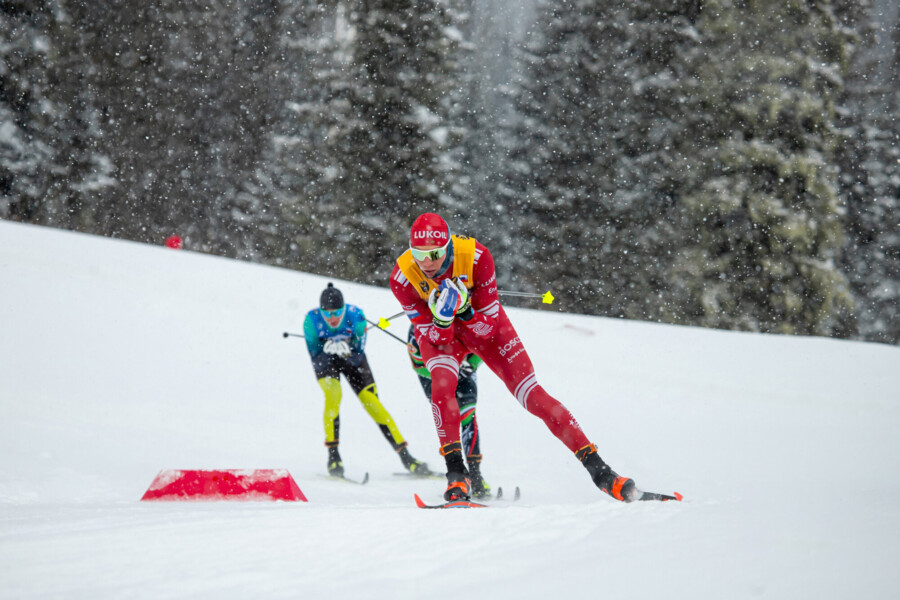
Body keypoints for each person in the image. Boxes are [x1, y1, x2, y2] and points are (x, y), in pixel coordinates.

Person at [390, 213, 644, 502]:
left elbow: (486, 331)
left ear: (448, 246)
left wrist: (464, 311)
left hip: (482, 327)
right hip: (443, 332)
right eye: (418, 254)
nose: (426, 263)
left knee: (532, 395)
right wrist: (444, 319)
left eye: (434, 254)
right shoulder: (402, 276)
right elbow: (436, 339)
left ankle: (602, 473)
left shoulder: (476, 257)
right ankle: (457, 478)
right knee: (442, 386)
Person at [304, 282, 432, 478]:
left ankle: (407, 458)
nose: (332, 318)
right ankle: (333, 457)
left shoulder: (356, 317)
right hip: (327, 364)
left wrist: (347, 349)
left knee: (373, 404)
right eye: (327, 314)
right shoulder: (311, 321)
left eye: (337, 312)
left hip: (353, 362)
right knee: (333, 395)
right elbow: (316, 358)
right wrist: (327, 351)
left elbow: (358, 353)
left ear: (344, 308)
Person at [407, 325, 491, 498]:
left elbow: (485, 345)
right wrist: (444, 373)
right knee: (448, 418)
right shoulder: (417, 328)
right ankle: (456, 476)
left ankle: (475, 475)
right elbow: (417, 364)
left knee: (467, 414)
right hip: (432, 375)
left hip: (465, 369)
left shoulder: (462, 317)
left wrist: (471, 365)